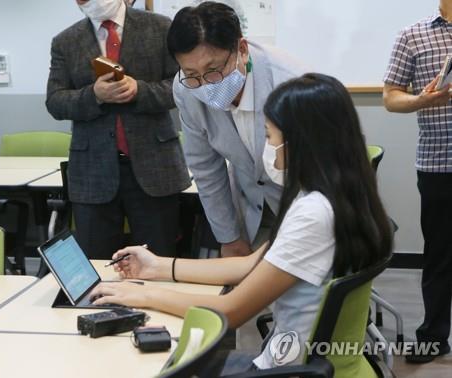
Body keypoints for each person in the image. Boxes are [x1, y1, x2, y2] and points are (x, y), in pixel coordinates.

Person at [90, 73, 393, 372]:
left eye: (270, 135)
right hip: (310, 362)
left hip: (285, 368)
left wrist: (143, 295)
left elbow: (230, 311)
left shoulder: (314, 213)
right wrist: (158, 266)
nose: (268, 145)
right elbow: (250, 265)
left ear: (300, 142)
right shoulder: (341, 196)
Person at [46, 0, 190, 259]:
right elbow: (55, 102)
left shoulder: (160, 28)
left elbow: (183, 86)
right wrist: (95, 95)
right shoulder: (65, 41)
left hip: (155, 167)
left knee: (159, 260)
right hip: (92, 172)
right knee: (97, 264)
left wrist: (140, 90)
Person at [166, 2, 303, 257]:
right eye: (192, 73)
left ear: (241, 49)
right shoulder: (186, 89)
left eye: (213, 70)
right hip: (253, 206)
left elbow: (322, 173)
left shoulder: (290, 84)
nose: (205, 85)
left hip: (305, 204)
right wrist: (228, 236)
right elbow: (205, 167)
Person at [383, 0, 452, 364]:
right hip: (439, 164)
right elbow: (391, 98)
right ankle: (434, 337)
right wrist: (421, 100)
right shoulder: (413, 35)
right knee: (440, 255)